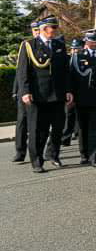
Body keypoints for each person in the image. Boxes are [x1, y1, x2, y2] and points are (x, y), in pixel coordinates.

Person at [14, 15, 72, 173]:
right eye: (52, 28)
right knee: (38, 130)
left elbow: (65, 71)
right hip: (38, 95)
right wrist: (25, 91)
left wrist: (68, 90)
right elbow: (22, 72)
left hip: (58, 94)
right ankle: (37, 161)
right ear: (44, 29)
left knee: (58, 127)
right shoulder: (28, 45)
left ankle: (53, 154)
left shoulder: (59, 44)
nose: (55, 30)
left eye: (55, 28)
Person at [69, 30, 96, 166]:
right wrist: (71, 94)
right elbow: (71, 77)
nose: (94, 44)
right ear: (86, 41)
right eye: (91, 41)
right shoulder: (77, 56)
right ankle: (84, 155)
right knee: (82, 129)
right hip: (81, 98)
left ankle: (94, 157)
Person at [11, 21, 40, 163]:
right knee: (22, 121)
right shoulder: (26, 45)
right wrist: (16, 90)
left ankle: (37, 152)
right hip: (24, 91)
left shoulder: (45, 46)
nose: (37, 33)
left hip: (39, 92)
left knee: (38, 124)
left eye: (38, 30)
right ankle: (20, 151)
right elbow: (20, 71)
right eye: (34, 31)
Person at [61, 39, 84, 147]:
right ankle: (65, 138)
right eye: (73, 49)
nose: (74, 51)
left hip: (80, 92)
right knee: (68, 116)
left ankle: (78, 134)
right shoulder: (67, 59)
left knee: (79, 118)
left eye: (77, 49)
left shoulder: (84, 59)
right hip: (70, 93)